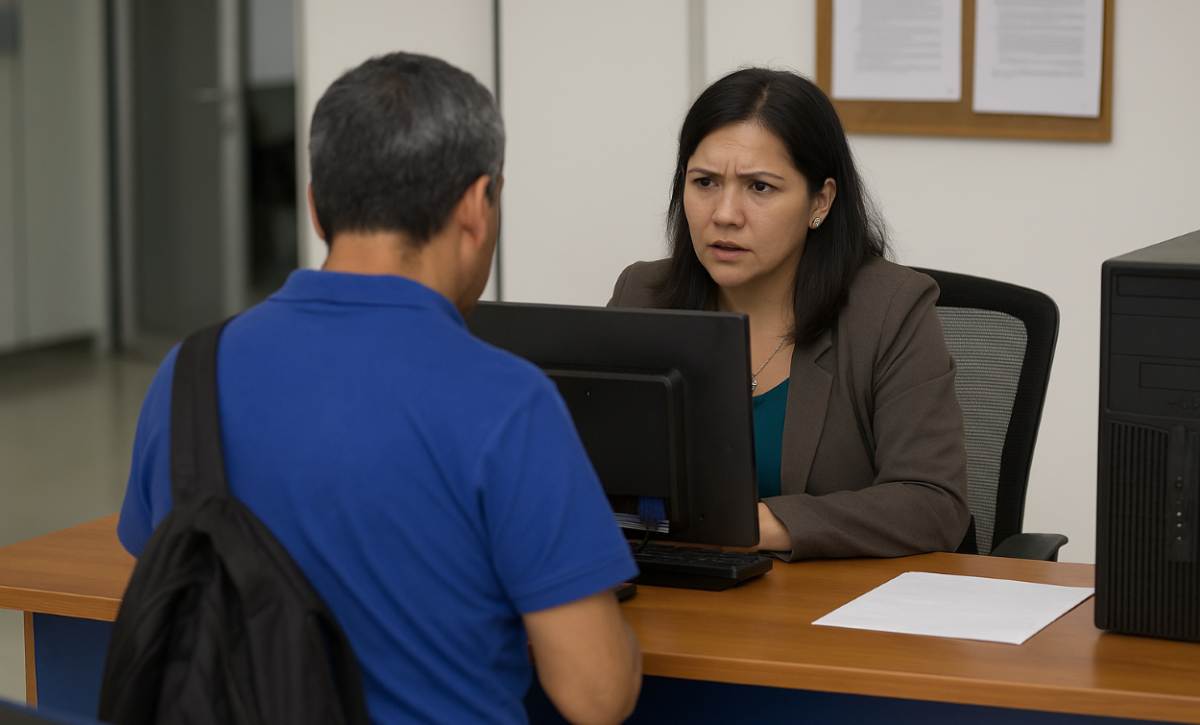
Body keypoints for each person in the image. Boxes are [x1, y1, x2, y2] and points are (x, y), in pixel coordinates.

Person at [118, 52, 641, 725]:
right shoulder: (507, 399)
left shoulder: (187, 371)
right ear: (478, 206)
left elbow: (159, 570)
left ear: (315, 207)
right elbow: (597, 695)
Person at [609, 67, 970, 562]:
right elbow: (590, 476)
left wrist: (764, 525)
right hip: (682, 599)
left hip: (830, 614)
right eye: (705, 182)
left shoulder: (890, 308)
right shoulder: (643, 294)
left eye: (760, 187)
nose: (725, 213)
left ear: (819, 201)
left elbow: (933, 504)